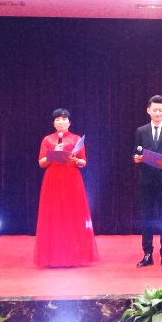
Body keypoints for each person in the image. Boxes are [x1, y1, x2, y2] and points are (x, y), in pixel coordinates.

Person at [34, 108, 99, 268]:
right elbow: (41, 163)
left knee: (72, 214)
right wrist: (52, 154)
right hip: (53, 179)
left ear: (69, 122)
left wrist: (74, 159)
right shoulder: (47, 139)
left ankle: (73, 256)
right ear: (53, 123)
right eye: (57, 119)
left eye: (64, 119)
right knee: (53, 214)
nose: (61, 122)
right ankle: (53, 256)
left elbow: (83, 162)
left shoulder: (77, 139)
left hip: (72, 179)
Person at [133, 95, 162, 268]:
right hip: (146, 181)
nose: (157, 113)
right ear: (148, 111)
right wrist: (136, 158)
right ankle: (147, 254)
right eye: (154, 110)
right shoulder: (141, 131)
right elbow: (135, 151)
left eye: (160, 110)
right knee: (147, 217)